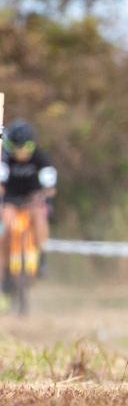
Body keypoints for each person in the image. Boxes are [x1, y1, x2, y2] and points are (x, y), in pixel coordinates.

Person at [0, 119, 56, 284]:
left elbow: (50, 186)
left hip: (32, 198)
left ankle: (41, 257)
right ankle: (5, 263)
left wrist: (44, 197)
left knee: (39, 217)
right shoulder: (5, 158)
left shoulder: (40, 157)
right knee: (6, 223)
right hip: (11, 199)